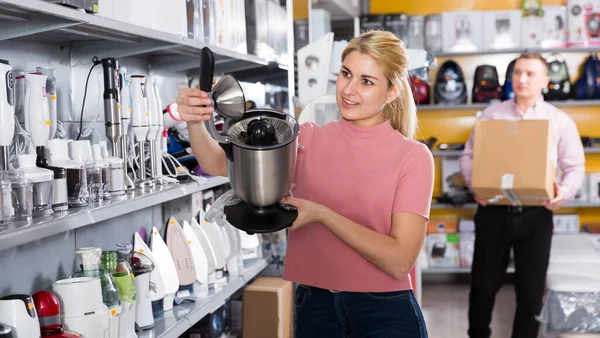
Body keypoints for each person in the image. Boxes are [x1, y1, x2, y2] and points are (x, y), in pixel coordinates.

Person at [176, 30, 434, 338]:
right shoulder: (305, 139)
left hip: (385, 314)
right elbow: (217, 163)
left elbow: (399, 260)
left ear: (392, 92)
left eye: (367, 81)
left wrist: (322, 214)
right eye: (346, 73)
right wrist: (195, 121)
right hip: (315, 307)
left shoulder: (413, 157)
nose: (349, 90)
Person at [459, 52, 586, 338]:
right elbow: (468, 156)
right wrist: (475, 185)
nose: (522, 79)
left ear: (545, 80)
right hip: (493, 212)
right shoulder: (491, 115)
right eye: (517, 72)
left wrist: (562, 193)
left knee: (530, 292)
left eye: (530, 73)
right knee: (482, 287)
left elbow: (575, 167)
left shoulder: (558, 121)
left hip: (536, 214)